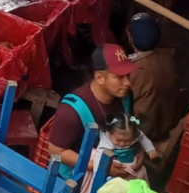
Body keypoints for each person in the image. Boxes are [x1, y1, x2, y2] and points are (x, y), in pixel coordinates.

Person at [47, 44, 134, 179]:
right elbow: (55, 151)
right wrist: (99, 166)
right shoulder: (71, 111)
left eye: (128, 75)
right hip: (75, 177)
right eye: (119, 77)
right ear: (100, 78)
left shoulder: (124, 98)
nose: (127, 83)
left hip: (113, 164)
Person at [124, 13, 180, 149]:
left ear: (130, 37)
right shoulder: (168, 59)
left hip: (144, 129)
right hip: (167, 124)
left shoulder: (131, 68)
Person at [78, 114, 156, 193]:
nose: (122, 144)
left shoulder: (137, 134)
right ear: (110, 133)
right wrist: (100, 174)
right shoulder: (106, 140)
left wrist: (151, 150)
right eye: (118, 140)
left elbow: (144, 139)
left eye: (127, 140)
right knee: (112, 192)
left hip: (132, 167)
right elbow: (99, 158)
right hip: (111, 167)